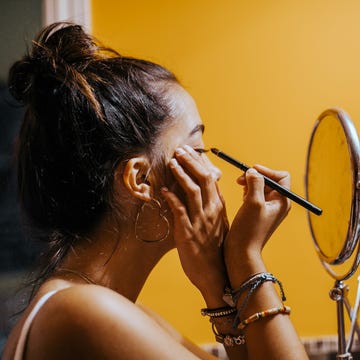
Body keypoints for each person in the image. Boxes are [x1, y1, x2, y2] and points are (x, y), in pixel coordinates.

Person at [2, 22, 308, 360]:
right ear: (140, 179)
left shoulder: (110, 309)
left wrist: (216, 285)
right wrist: (248, 261)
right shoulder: (85, 312)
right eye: (198, 150)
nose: (214, 171)